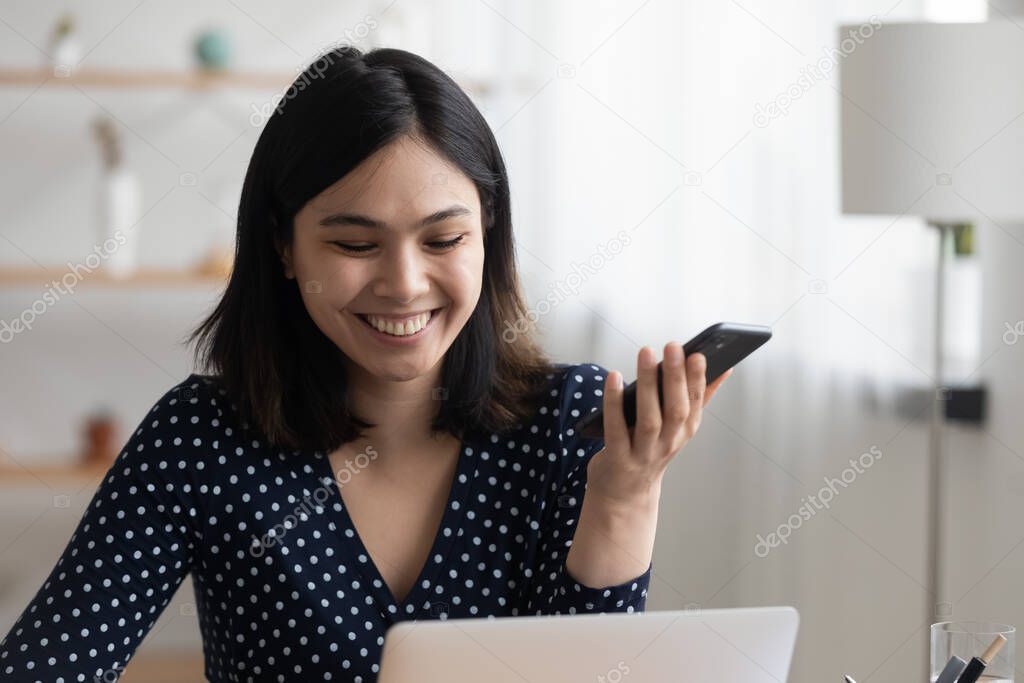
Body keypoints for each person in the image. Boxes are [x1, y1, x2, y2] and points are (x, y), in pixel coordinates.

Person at [0, 46, 729, 683]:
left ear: (488, 234)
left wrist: (626, 495)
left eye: (443, 240)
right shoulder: (203, 438)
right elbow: (50, 662)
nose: (405, 284)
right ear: (284, 247)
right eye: (355, 245)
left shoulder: (570, 421)